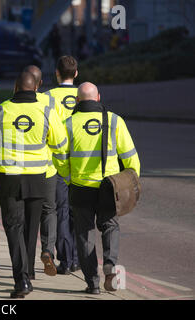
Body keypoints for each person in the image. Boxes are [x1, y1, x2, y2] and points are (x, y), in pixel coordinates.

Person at [0, 71, 68, 298]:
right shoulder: (47, 110)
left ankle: (22, 280)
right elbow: (61, 143)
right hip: (38, 178)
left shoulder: (0, 111)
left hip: (9, 177)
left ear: (16, 88)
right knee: (31, 228)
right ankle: (28, 274)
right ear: (35, 89)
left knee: (13, 228)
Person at [57, 82, 140, 294]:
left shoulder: (67, 124)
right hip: (109, 188)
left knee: (84, 235)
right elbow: (131, 157)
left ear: (77, 100)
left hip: (80, 187)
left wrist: (68, 179)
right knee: (110, 225)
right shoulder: (114, 121)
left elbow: (59, 159)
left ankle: (92, 283)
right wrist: (132, 182)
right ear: (98, 97)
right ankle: (110, 265)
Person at [40, 56, 81, 275]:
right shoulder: (84, 95)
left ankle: (66, 260)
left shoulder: (46, 98)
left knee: (61, 211)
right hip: (82, 163)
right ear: (76, 74)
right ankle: (79, 256)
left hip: (56, 164)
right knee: (80, 213)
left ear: (56, 73)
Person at [23, 65, 60, 279]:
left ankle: (27, 269)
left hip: (21, 171)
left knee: (28, 218)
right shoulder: (49, 104)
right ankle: (47, 249)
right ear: (40, 84)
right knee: (49, 210)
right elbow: (59, 140)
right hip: (47, 169)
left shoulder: (15, 105)